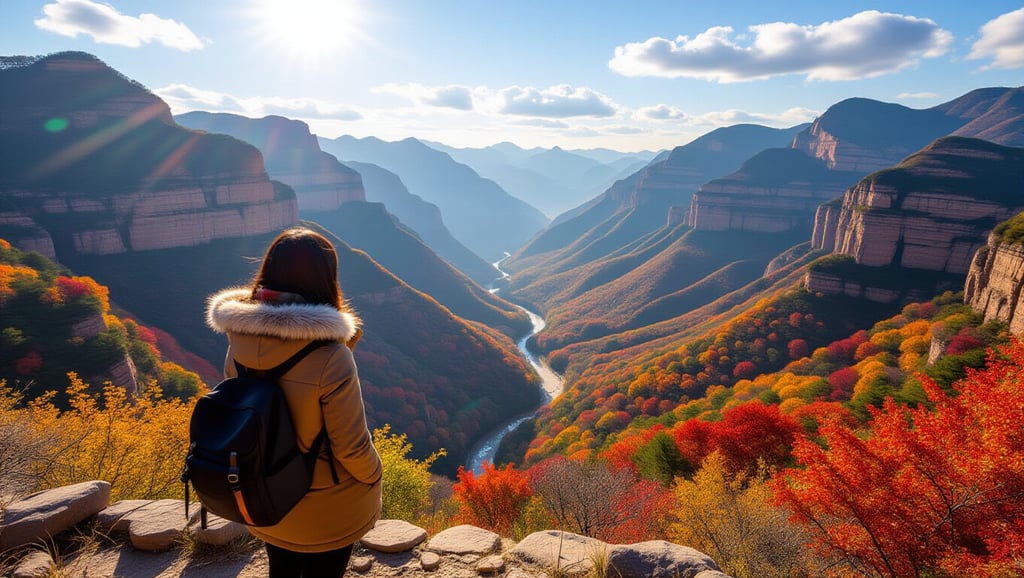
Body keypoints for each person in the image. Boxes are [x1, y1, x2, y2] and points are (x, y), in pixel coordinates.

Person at [205, 227, 382, 578]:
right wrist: (376, 476)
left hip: (264, 496)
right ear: (326, 280)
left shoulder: (238, 339)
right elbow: (351, 449)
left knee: (280, 570)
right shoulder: (331, 356)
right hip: (325, 511)